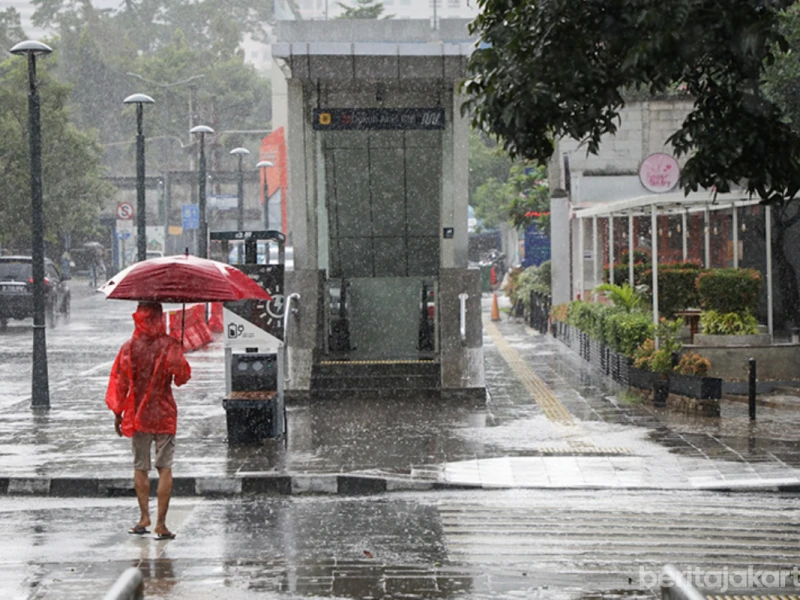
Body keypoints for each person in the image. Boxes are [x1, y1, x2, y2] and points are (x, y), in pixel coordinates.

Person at [106, 302, 191, 540]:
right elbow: (181, 378)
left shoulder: (129, 347)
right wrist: (178, 352)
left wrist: (118, 414)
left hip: (138, 415)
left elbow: (119, 382)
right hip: (164, 413)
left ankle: (144, 517)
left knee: (140, 466)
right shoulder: (169, 345)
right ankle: (161, 524)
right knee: (165, 467)